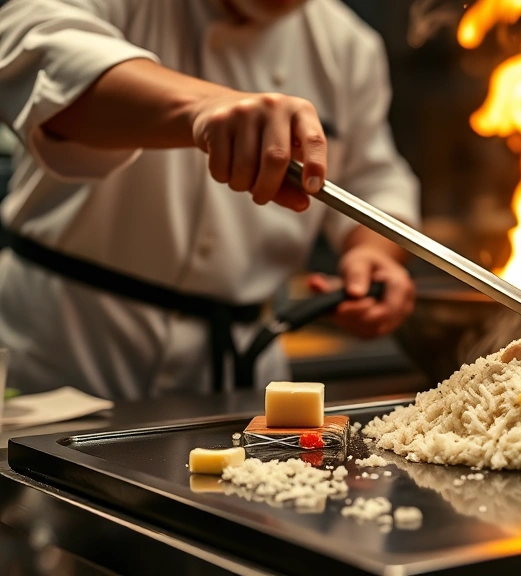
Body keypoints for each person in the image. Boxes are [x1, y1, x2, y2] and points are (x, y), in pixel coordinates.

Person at [0, 0, 420, 400]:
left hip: (242, 372)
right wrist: (205, 107)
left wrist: (372, 255)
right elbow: (36, 45)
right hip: (65, 348)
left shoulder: (348, 45)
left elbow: (376, 180)